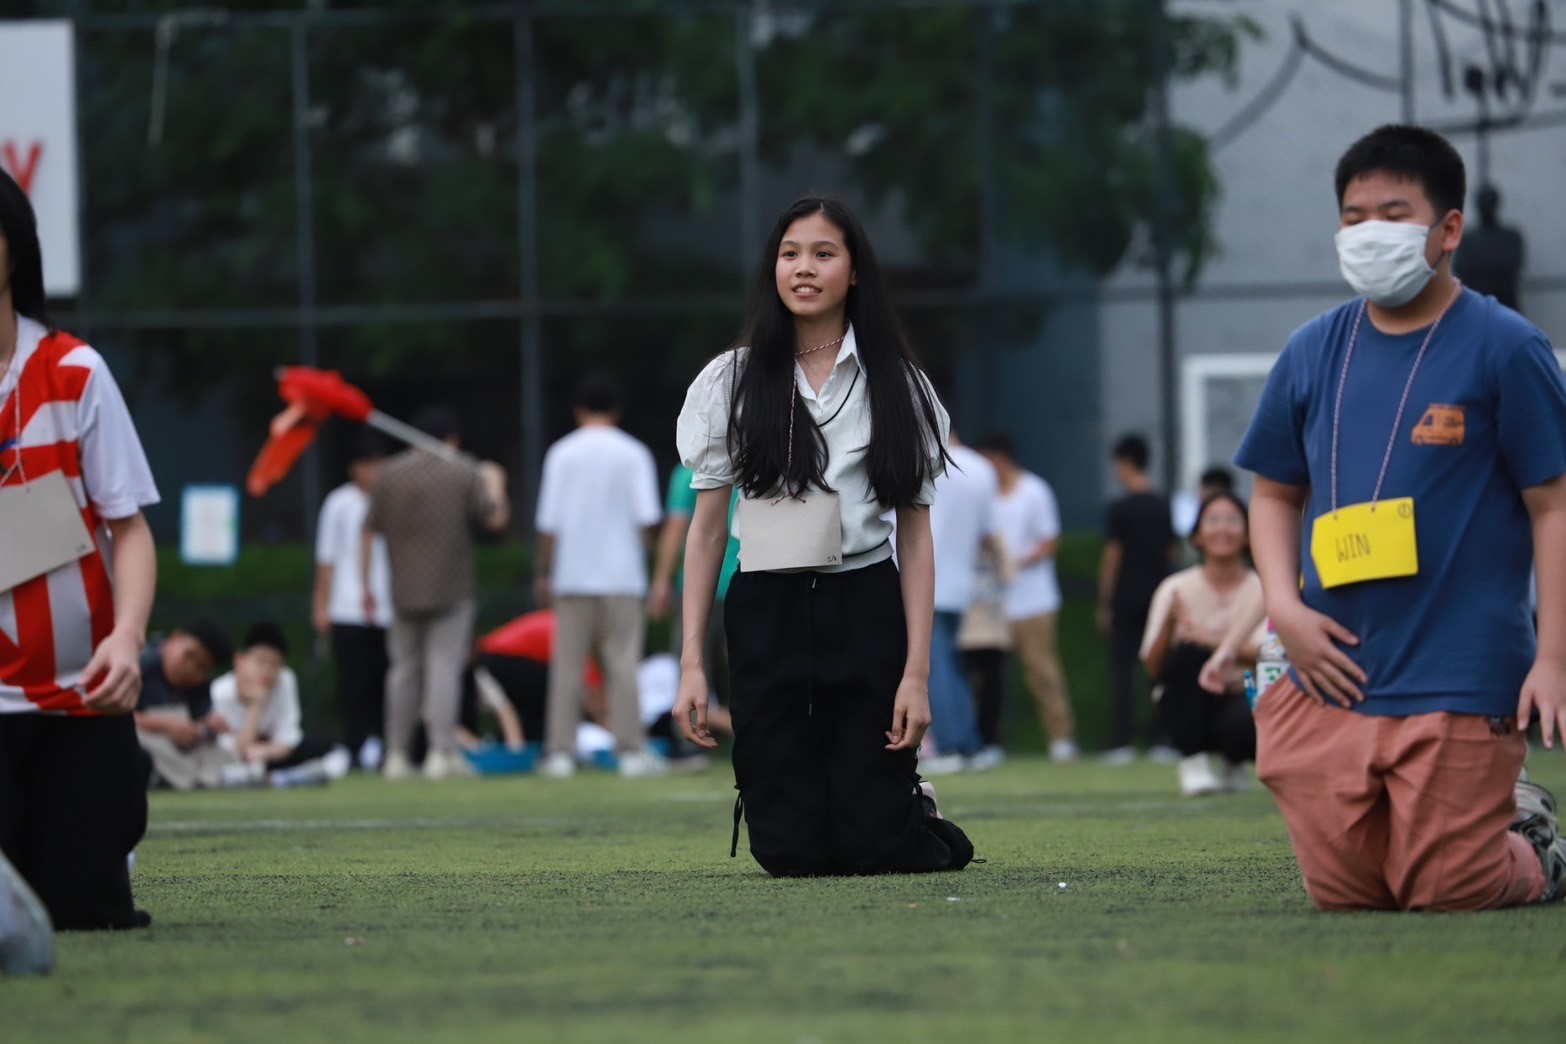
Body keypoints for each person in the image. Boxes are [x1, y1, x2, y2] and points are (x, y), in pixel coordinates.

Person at [1236, 124, 1566, 911]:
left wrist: (1552, 657)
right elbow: (1274, 495)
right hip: (1331, 666)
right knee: (1345, 893)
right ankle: (1468, 828)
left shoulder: (1507, 346)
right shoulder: (1312, 349)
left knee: (1449, 888)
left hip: (1458, 671)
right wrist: (1283, 607)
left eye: (1393, 214)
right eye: (1354, 217)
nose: (1369, 232)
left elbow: (1553, 505)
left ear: (1448, 230)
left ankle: (1532, 842)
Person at [673, 195, 974, 877]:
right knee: (790, 855)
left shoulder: (900, 385)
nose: (803, 268)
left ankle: (914, 808)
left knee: (879, 851)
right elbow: (707, 530)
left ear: (855, 270)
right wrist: (693, 662)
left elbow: (915, 537)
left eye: (823, 254)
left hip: (864, 602)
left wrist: (916, 675)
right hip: (766, 606)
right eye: (790, 254)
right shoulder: (730, 380)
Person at [0, 170, 159, 934]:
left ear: (14, 247)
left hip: (78, 699)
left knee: (84, 912)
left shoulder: (74, 371)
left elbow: (130, 529)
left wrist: (127, 638)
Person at [365, 405, 510, 781]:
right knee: (444, 668)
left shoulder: (390, 473)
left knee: (402, 671)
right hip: (452, 587)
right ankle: (440, 752)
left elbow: (372, 527)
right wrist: (495, 482)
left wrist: (367, 583)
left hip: (403, 587)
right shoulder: (463, 469)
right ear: (453, 438)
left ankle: (396, 755)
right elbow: (494, 518)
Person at [534, 374, 665, 780]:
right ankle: (630, 751)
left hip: (572, 575)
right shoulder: (634, 453)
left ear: (578, 410)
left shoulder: (561, 453)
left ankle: (560, 753)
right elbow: (647, 520)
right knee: (623, 665)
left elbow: (549, 524)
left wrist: (543, 571)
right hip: (622, 575)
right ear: (617, 410)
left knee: (567, 668)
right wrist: (649, 560)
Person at [1140, 492, 1261, 796]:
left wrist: (1212, 643)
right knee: (1186, 655)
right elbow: (1153, 668)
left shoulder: (1264, 588)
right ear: (1196, 536)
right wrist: (1171, 624)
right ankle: (1194, 761)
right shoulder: (1175, 589)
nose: (1223, 529)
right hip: (1190, 697)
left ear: (1248, 534)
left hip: (1245, 692)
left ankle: (1234, 759)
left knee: (1246, 711)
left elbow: (1277, 654)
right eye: (1213, 520)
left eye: (1232, 520)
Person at [976, 432, 1079, 762]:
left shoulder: (1034, 490)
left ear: (1000, 458)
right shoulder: (984, 495)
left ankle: (1061, 739)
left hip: (1034, 600)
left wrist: (1015, 563)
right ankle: (988, 741)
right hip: (992, 602)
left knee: (1042, 672)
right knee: (988, 676)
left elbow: (1050, 541)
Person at [921, 431, 1001, 774]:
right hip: (961, 582)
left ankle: (951, 745)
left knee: (936, 665)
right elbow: (987, 532)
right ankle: (968, 743)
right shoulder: (981, 468)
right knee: (951, 664)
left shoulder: (922, 458)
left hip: (925, 578)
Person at [312, 430, 391, 770]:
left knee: (384, 679)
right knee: (353, 682)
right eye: (368, 464)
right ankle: (355, 744)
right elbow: (326, 559)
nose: (375, 472)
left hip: (389, 608)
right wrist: (321, 605)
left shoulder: (393, 499)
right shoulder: (338, 503)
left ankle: (383, 743)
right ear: (353, 468)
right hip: (347, 607)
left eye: (380, 464)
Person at [1097, 434, 1176, 764]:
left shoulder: (1120, 508)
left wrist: (1105, 601)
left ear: (1125, 462)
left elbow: (1113, 556)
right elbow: (1172, 552)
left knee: (1123, 672)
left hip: (1126, 598)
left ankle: (1123, 742)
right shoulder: (1163, 505)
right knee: (1159, 670)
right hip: (1159, 598)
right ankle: (1163, 739)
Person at [649, 463, 741, 706]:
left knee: (693, 666)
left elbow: (675, 528)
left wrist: (661, 582)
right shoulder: (754, 462)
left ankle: (693, 726)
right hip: (745, 579)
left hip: (700, 586)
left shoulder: (689, 471)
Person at [209, 623, 347, 781]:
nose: (267, 670)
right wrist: (256, 707)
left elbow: (287, 742)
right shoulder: (219, 693)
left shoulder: (285, 680)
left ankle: (282, 778)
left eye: (275, 664)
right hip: (234, 762)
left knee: (328, 749)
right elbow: (234, 752)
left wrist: (263, 751)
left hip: (269, 756)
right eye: (260, 661)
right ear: (240, 661)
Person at [133, 621, 236, 790]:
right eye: (190, 656)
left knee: (221, 754)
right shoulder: (140, 662)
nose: (190, 668)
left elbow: (199, 720)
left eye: (201, 668)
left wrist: (206, 727)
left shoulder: (200, 685)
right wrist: (162, 724)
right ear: (175, 639)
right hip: (144, 740)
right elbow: (109, 717)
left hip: (181, 749)